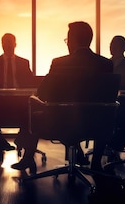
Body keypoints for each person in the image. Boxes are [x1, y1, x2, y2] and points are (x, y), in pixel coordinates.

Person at [11, 21, 113, 173]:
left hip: (60, 123)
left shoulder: (60, 63)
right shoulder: (105, 64)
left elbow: (43, 93)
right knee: (103, 112)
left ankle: (27, 157)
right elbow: (107, 99)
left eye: (67, 40)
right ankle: (96, 163)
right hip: (95, 124)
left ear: (73, 40)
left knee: (31, 103)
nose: (67, 44)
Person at [0, 33, 36, 162]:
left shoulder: (24, 63)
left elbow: (30, 83)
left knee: (31, 112)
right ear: (2, 45)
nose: (7, 46)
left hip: (19, 103)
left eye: (10, 43)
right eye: (5, 43)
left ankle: (9, 140)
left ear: (15, 44)